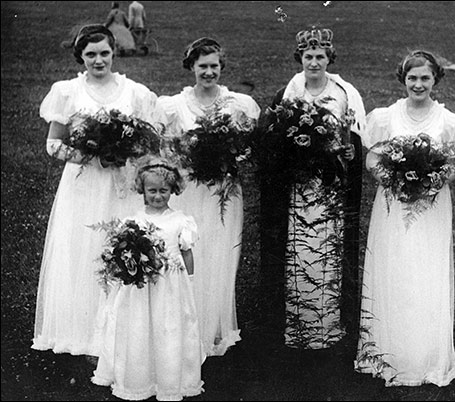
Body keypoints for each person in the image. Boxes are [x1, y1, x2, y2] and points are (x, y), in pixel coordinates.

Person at [33, 24, 159, 357]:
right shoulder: (67, 91)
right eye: (91, 54)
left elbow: (147, 142)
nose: (98, 60)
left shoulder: (134, 92)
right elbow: (52, 144)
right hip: (84, 186)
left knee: (125, 249)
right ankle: (87, 335)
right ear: (81, 56)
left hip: (123, 186)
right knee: (86, 251)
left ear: (114, 52)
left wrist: (125, 152)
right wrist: (90, 155)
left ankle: (124, 333)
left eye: (104, 52)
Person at [354, 50, 455, 387]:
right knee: (395, 268)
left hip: (430, 207)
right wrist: (395, 181)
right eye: (412, 78)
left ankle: (427, 355)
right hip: (394, 204)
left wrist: (431, 182)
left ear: (435, 80)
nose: (418, 84)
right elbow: (372, 159)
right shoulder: (385, 117)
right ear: (403, 79)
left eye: (425, 78)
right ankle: (387, 351)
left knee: (426, 271)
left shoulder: (450, 122)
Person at [258, 27, 366, 350]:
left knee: (326, 250)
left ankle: (328, 326)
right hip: (298, 186)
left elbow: (352, 138)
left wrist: (349, 153)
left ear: (329, 59)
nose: (314, 62)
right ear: (300, 58)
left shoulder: (344, 93)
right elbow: (276, 137)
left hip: (329, 185)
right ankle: (297, 327)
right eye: (309, 56)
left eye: (320, 57)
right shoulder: (290, 92)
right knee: (299, 249)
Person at [158, 37, 261, 357]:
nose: (208, 72)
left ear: (221, 67)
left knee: (219, 256)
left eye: (214, 65)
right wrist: (187, 158)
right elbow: (164, 149)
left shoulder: (238, 104)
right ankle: (182, 330)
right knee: (187, 254)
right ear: (191, 67)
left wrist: (232, 158)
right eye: (202, 66)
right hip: (189, 191)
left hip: (223, 192)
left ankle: (213, 329)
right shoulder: (173, 106)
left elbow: (248, 146)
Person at [92, 156, 204, 400]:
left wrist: (190, 280)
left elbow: (186, 253)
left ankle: (170, 379)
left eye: (164, 191)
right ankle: (138, 378)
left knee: (169, 328)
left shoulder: (180, 221)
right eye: (152, 190)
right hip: (141, 287)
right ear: (141, 189)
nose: (157, 196)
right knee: (139, 327)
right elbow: (123, 255)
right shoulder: (134, 222)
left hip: (171, 285)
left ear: (173, 190)